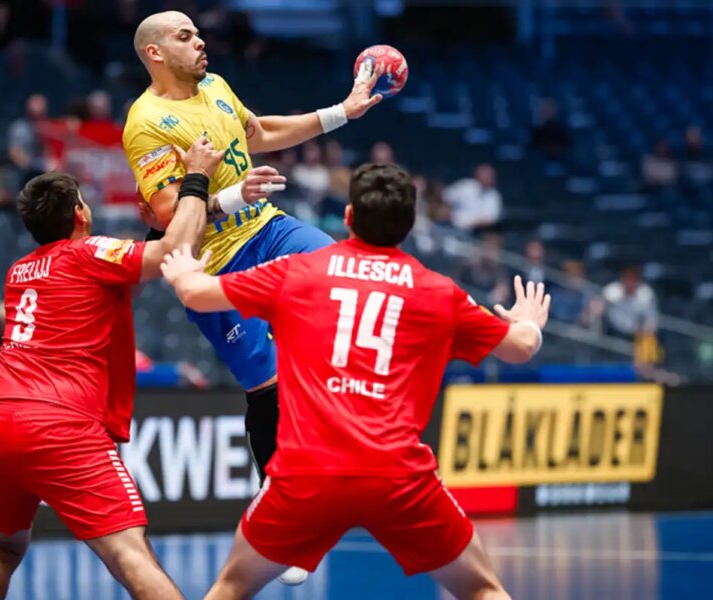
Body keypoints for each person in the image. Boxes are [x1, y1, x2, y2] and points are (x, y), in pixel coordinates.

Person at [160, 163, 551, 600]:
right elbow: (520, 347)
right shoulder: (438, 293)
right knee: (482, 589)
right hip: (397, 475)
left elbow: (198, 293)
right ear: (408, 225)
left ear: (348, 216)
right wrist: (529, 323)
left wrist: (181, 269)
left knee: (231, 587)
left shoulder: (300, 271)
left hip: (307, 475)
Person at [123, 16, 383, 583]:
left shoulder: (215, 87)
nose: (201, 43)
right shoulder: (145, 124)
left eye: (199, 33)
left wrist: (343, 110)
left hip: (268, 229)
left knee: (342, 272)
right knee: (264, 382)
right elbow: (171, 220)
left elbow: (258, 131)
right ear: (155, 52)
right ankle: (279, 511)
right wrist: (232, 195)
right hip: (211, 263)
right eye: (186, 37)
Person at [0, 136, 228, 600]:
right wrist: (198, 175)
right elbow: (175, 249)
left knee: (0, 548)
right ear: (81, 215)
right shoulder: (89, 253)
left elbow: (102, 293)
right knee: (129, 552)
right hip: (59, 425)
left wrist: (153, 236)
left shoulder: (19, 272)